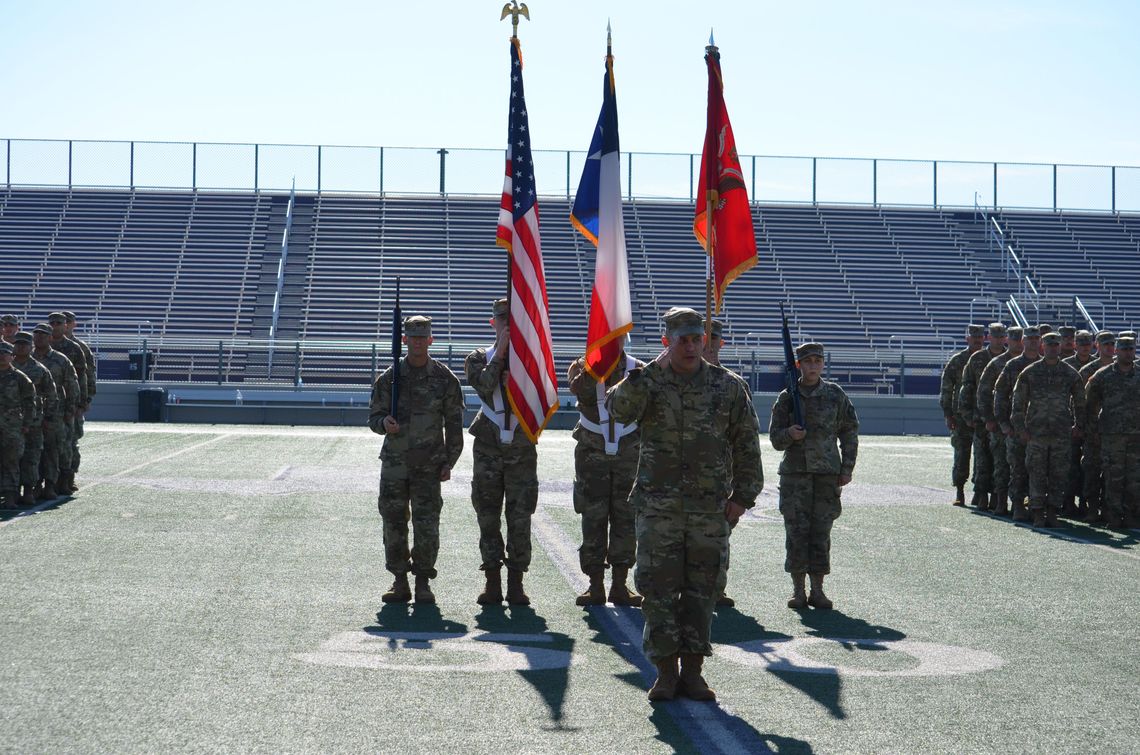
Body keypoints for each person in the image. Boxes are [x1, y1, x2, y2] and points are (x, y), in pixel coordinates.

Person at [608, 307, 762, 703]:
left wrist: (743, 498)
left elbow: (747, 443)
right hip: (658, 508)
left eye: (697, 338)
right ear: (667, 343)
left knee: (701, 592)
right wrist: (647, 372)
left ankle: (693, 672)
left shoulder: (727, 386)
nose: (692, 346)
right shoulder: (650, 382)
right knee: (658, 591)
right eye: (683, 339)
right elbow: (616, 408)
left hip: (709, 510)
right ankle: (664, 672)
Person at [369, 315, 464, 604]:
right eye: (413, 338)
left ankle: (423, 581)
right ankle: (400, 581)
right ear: (404, 340)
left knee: (426, 525)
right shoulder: (389, 378)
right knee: (393, 523)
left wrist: (450, 461)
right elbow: (373, 418)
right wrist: (384, 422)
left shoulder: (445, 379)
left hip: (429, 465)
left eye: (423, 338)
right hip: (396, 465)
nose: (419, 343)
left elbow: (455, 425)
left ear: (431, 340)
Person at [770, 341, 859, 610]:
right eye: (807, 362)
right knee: (796, 533)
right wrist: (790, 435)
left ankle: (818, 590)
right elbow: (775, 438)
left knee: (821, 533)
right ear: (799, 365)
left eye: (817, 361)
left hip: (826, 475)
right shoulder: (787, 397)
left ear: (822, 364)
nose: (812, 366)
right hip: (795, 476)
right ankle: (798, 590)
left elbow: (850, 430)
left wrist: (847, 468)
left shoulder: (835, 394)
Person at [466, 299, 539, 606]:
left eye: (513, 320)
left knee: (520, 516)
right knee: (488, 514)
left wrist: (519, 379)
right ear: (492, 322)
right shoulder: (479, 356)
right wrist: (501, 358)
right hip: (488, 446)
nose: (507, 325)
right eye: (501, 320)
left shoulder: (532, 359)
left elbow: (542, 392)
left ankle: (516, 581)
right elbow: (483, 385)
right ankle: (492, 580)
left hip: (521, 447)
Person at [567, 342, 644, 607]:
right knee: (593, 517)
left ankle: (620, 585)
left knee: (626, 518)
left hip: (628, 454)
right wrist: (594, 366)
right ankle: (595, 584)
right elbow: (581, 391)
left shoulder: (637, 369)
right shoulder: (581, 367)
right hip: (592, 454)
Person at [1011, 332, 1085, 528]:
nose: (1053, 348)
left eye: (1056, 345)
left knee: (1058, 474)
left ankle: (1052, 511)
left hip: (1061, 433)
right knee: (1036, 473)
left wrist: (1079, 425)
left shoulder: (1069, 373)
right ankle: (1037, 512)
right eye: (1049, 345)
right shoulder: (1030, 372)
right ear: (1043, 347)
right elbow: (1018, 403)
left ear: (1060, 347)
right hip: (1037, 432)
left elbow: (1080, 403)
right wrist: (1020, 428)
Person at [702, 317, 744, 608]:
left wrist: (743, 492)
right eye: (702, 340)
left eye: (713, 340)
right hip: (678, 477)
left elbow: (746, 441)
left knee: (718, 537)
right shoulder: (674, 380)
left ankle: (716, 589)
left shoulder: (733, 384)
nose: (709, 345)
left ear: (721, 343)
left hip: (720, 477)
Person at [1084, 335, 1140, 529]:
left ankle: (1132, 515)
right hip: (1111, 436)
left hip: (1136, 436)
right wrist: (1093, 432)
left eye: (1131, 349)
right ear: (1116, 351)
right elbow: (1089, 405)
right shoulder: (1103, 375)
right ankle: (1113, 516)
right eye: (1124, 349)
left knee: (1134, 478)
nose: (1128, 353)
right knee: (1113, 477)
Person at [994, 326, 1041, 522]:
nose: (1031, 341)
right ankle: (1017, 505)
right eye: (1028, 338)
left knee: (1038, 470)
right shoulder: (1012, 365)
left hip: (1040, 430)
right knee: (1017, 469)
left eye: (1035, 338)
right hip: (1016, 428)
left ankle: (1036, 505)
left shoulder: (1047, 365)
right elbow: (999, 395)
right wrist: (1004, 424)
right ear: (1023, 341)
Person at [959, 323, 1007, 509]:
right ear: (989, 337)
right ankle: (980, 495)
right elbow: (967, 388)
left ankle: (996, 496)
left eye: (1001, 336)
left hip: (1002, 419)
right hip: (980, 419)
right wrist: (968, 415)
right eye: (994, 336)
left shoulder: (1010, 358)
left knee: (1000, 461)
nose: (997, 339)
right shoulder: (978, 358)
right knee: (982, 459)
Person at [976, 325, 1022, 515]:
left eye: (1020, 340)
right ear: (1007, 341)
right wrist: (989, 419)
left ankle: (1020, 502)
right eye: (1013, 339)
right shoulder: (996, 363)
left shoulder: (1032, 362)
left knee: (1022, 465)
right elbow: (983, 392)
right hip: (1001, 424)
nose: (1016, 343)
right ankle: (999, 500)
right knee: (1000, 464)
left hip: (1025, 424)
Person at [32, 324, 79, 501]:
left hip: (56, 411)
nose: (40, 338)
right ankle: (36, 484)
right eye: (36, 335)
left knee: (56, 448)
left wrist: (71, 409)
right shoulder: (26, 358)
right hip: (33, 413)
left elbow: (72, 385)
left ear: (50, 337)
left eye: (44, 335)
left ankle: (55, 483)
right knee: (35, 450)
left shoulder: (61, 360)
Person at [11, 332, 56, 507]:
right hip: (9, 421)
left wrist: (49, 417)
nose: (21, 347)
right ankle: (11, 492)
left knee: (32, 456)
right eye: (18, 343)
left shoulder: (40, 369)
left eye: (25, 344)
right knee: (10, 458)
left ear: (31, 346)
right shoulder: (5, 366)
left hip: (34, 421)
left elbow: (52, 395)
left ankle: (29, 490)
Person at [940, 325, 984, 505]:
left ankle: (979, 491)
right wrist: (948, 414)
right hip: (961, 416)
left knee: (983, 457)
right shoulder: (958, 360)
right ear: (967, 339)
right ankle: (959, 490)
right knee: (962, 454)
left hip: (983, 415)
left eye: (980, 337)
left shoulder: (989, 358)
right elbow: (946, 389)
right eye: (974, 337)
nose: (977, 340)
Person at [1078, 331, 1115, 523]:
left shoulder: (1125, 369)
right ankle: (1091, 507)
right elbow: (1080, 402)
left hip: (1117, 432)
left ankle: (1110, 509)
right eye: (1105, 344)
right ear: (1097, 346)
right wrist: (1083, 427)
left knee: (1113, 472)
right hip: (1093, 431)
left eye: (1112, 344)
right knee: (1091, 470)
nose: (1109, 347)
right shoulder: (1088, 371)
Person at [47, 312, 86, 493]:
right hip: (46, 406)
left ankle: (67, 478)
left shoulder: (75, 348)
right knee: (47, 445)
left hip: (68, 403)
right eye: (52, 322)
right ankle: (48, 481)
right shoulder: (39, 346)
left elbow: (83, 377)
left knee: (69, 441)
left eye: (59, 323)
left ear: (67, 325)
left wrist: (82, 402)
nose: (55, 325)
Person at [62, 311, 96, 486]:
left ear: (74, 324)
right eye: (61, 322)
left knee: (72, 439)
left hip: (73, 401)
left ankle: (69, 477)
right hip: (53, 403)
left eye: (68, 321)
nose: (64, 324)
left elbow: (88, 375)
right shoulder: (44, 344)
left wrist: (86, 400)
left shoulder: (79, 347)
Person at [0, 342, 35, 510]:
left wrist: (27, 423)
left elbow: (30, 402)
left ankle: (10, 496)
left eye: (5, 353)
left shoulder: (19, 377)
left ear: (12, 357)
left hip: (12, 426)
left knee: (11, 461)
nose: (2, 356)